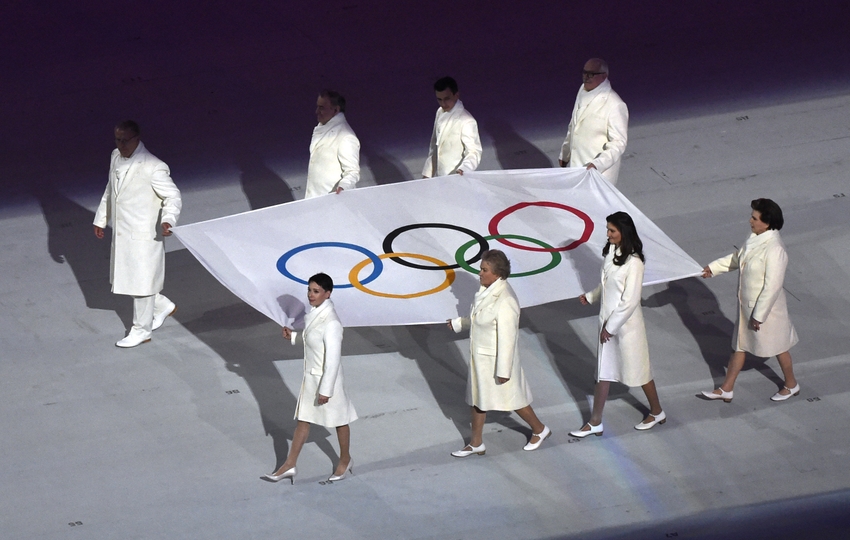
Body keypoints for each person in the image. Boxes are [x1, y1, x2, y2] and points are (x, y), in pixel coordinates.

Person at [570, 212, 665, 437]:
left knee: (639, 371)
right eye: (608, 230)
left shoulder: (634, 262)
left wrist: (610, 328)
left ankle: (657, 411)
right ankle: (595, 422)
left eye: (612, 230)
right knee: (604, 372)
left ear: (624, 232)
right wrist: (592, 296)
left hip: (625, 328)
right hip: (608, 325)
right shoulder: (612, 252)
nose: (608, 234)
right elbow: (607, 283)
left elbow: (630, 301)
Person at [448, 250, 550, 457]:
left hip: (496, 363)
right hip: (482, 360)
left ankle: (539, 430)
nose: (480, 273)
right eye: (481, 269)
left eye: (484, 270)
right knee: (478, 400)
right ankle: (476, 443)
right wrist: (458, 323)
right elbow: (479, 319)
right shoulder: (487, 291)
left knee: (515, 400)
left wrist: (503, 370)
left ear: (497, 274)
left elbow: (508, 338)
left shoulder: (505, 300)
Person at [700, 198, 799, 402]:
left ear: (767, 222)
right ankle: (726, 388)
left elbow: (772, 287)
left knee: (779, 348)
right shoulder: (755, 237)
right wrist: (714, 268)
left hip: (767, 312)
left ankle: (791, 384)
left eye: (754, 218)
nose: (750, 221)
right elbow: (738, 258)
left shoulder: (774, 249)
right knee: (740, 346)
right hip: (748, 309)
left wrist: (759, 316)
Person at [93, 120, 182, 348]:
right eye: (117, 140)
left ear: (137, 139)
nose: (121, 144)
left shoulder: (153, 166)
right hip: (123, 235)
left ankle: (141, 331)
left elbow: (173, 196)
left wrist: (168, 220)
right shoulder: (115, 156)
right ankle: (162, 306)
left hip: (144, 236)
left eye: (125, 140)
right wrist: (101, 218)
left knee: (142, 285)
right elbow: (110, 189)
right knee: (130, 280)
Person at [263, 273, 357, 484]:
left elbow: (332, 360)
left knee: (339, 422)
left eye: (316, 291)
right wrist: (295, 337)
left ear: (327, 293)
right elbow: (313, 339)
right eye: (309, 290)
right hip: (311, 381)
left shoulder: (332, 323)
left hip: (327, 382)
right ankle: (289, 465)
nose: (310, 295)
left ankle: (345, 459)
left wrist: (326, 390)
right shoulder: (315, 314)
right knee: (303, 422)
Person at [558, 58, 629, 185]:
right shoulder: (582, 90)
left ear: (604, 76)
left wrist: (597, 164)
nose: (586, 77)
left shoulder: (615, 104)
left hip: (598, 175)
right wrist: (565, 153)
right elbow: (574, 125)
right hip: (577, 169)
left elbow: (619, 143)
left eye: (591, 74)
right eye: (584, 73)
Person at [422, 76, 483, 178]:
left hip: (457, 178)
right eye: (439, 99)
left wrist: (464, 168)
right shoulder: (440, 112)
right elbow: (434, 146)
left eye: (447, 99)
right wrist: (427, 174)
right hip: (440, 178)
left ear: (456, 95)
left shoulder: (467, 121)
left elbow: (474, 151)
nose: (443, 104)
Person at [305, 90, 360, 198]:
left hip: (333, 201)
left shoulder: (346, 137)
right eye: (317, 107)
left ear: (335, 110)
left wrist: (343, 187)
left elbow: (352, 171)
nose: (317, 111)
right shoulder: (321, 129)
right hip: (315, 200)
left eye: (321, 108)